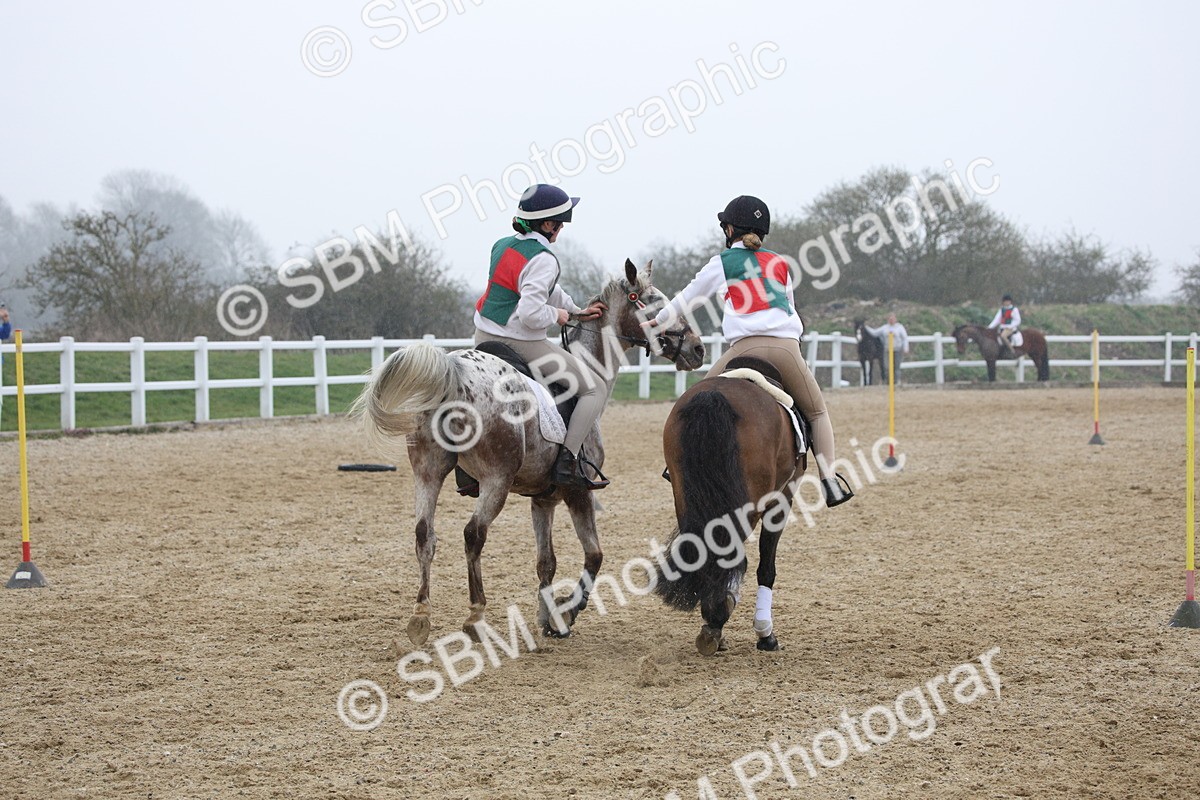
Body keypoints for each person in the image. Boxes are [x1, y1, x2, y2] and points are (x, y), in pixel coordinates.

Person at [649, 195, 853, 507]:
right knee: (817, 412)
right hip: (786, 350)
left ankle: (676, 463)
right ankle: (830, 482)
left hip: (742, 348)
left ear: (728, 229)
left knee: (697, 401)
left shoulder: (722, 262)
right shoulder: (780, 264)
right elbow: (791, 311)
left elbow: (686, 299)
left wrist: (659, 320)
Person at [473, 184, 610, 490]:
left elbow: (546, 289)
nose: (561, 228)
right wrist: (559, 317)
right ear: (549, 225)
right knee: (594, 389)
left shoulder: (502, 245)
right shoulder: (545, 258)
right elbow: (531, 313)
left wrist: (575, 310)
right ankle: (569, 464)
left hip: (482, 336)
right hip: (520, 341)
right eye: (560, 223)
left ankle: (468, 469)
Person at [865, 312, 909, 383]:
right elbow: (875, 333)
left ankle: (897, 382)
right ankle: (888, 382)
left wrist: (906, 348)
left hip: (897, 349)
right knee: (887, 367)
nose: (891, 320)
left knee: (896, 367)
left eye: (893, 319)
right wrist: (866, 327)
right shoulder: (885, 328)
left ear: (895, 319)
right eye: (890, 319)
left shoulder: (900, 327)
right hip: (887, 350)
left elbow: (904, 338)